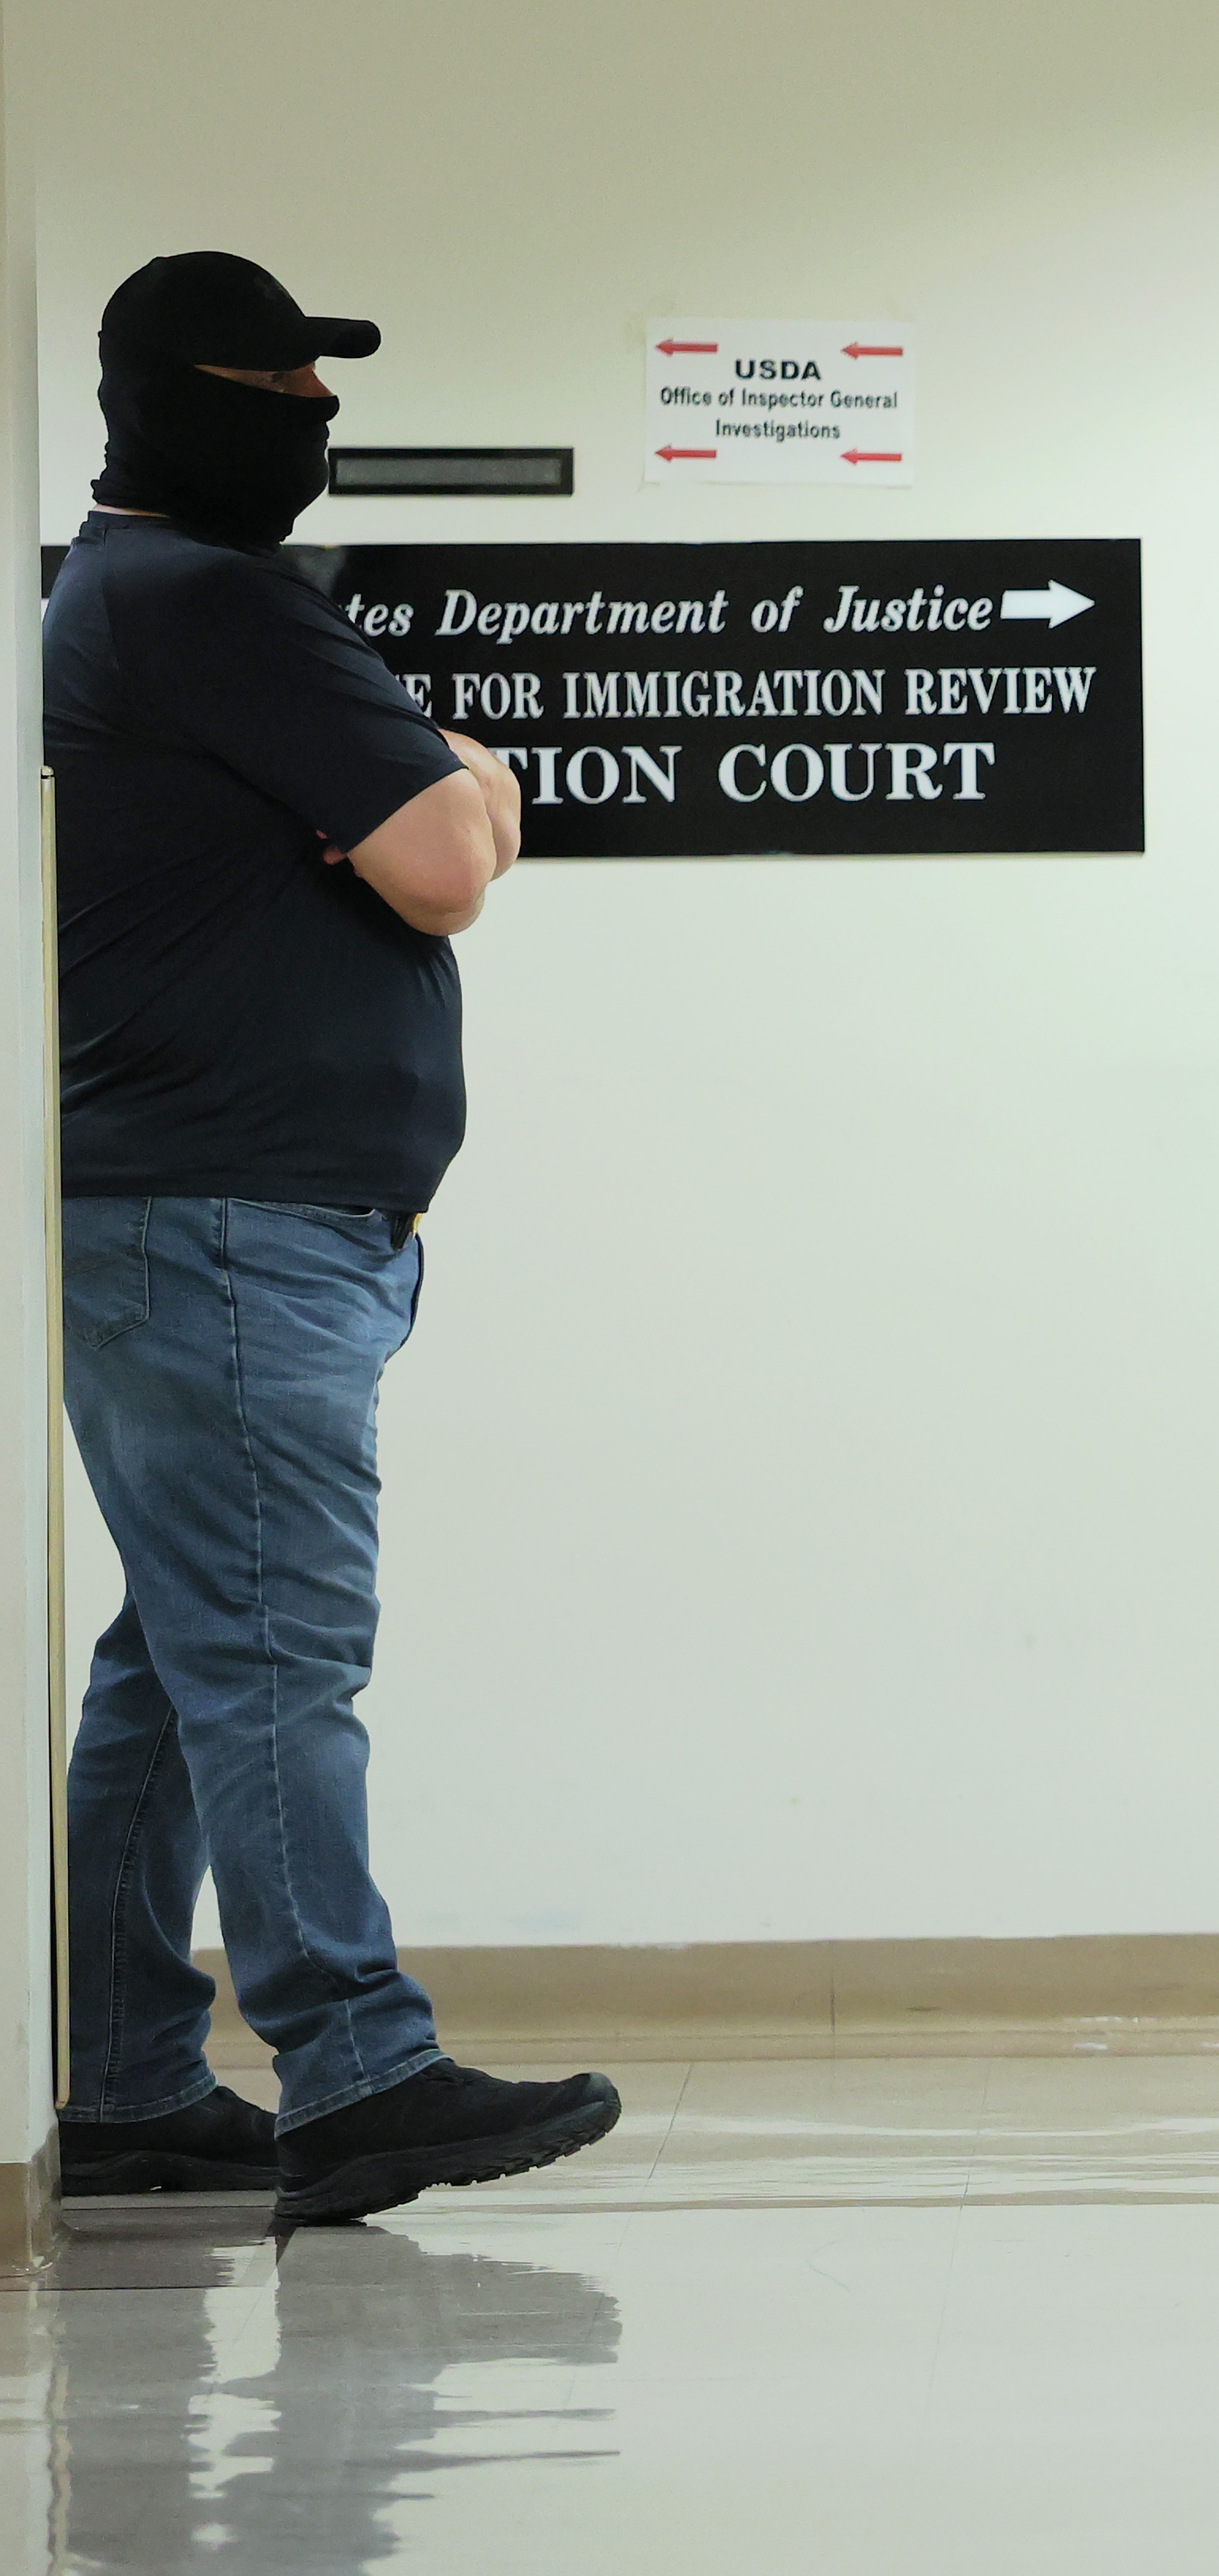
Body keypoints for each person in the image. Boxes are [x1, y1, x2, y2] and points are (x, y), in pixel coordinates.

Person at [45, 252, 622, 2223]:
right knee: (280, 1648)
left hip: (196, 1223)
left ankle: (120, 2086)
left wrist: (436, 785)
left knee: (178, 1665)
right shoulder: (212, 603)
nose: (305, 401)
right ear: (157, 398)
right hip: (224, 1231)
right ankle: (357, 2066)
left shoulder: (110, 600)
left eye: (318, 371)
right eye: (269, 373)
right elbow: (452, 858)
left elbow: (422, 829)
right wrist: (465, 776)